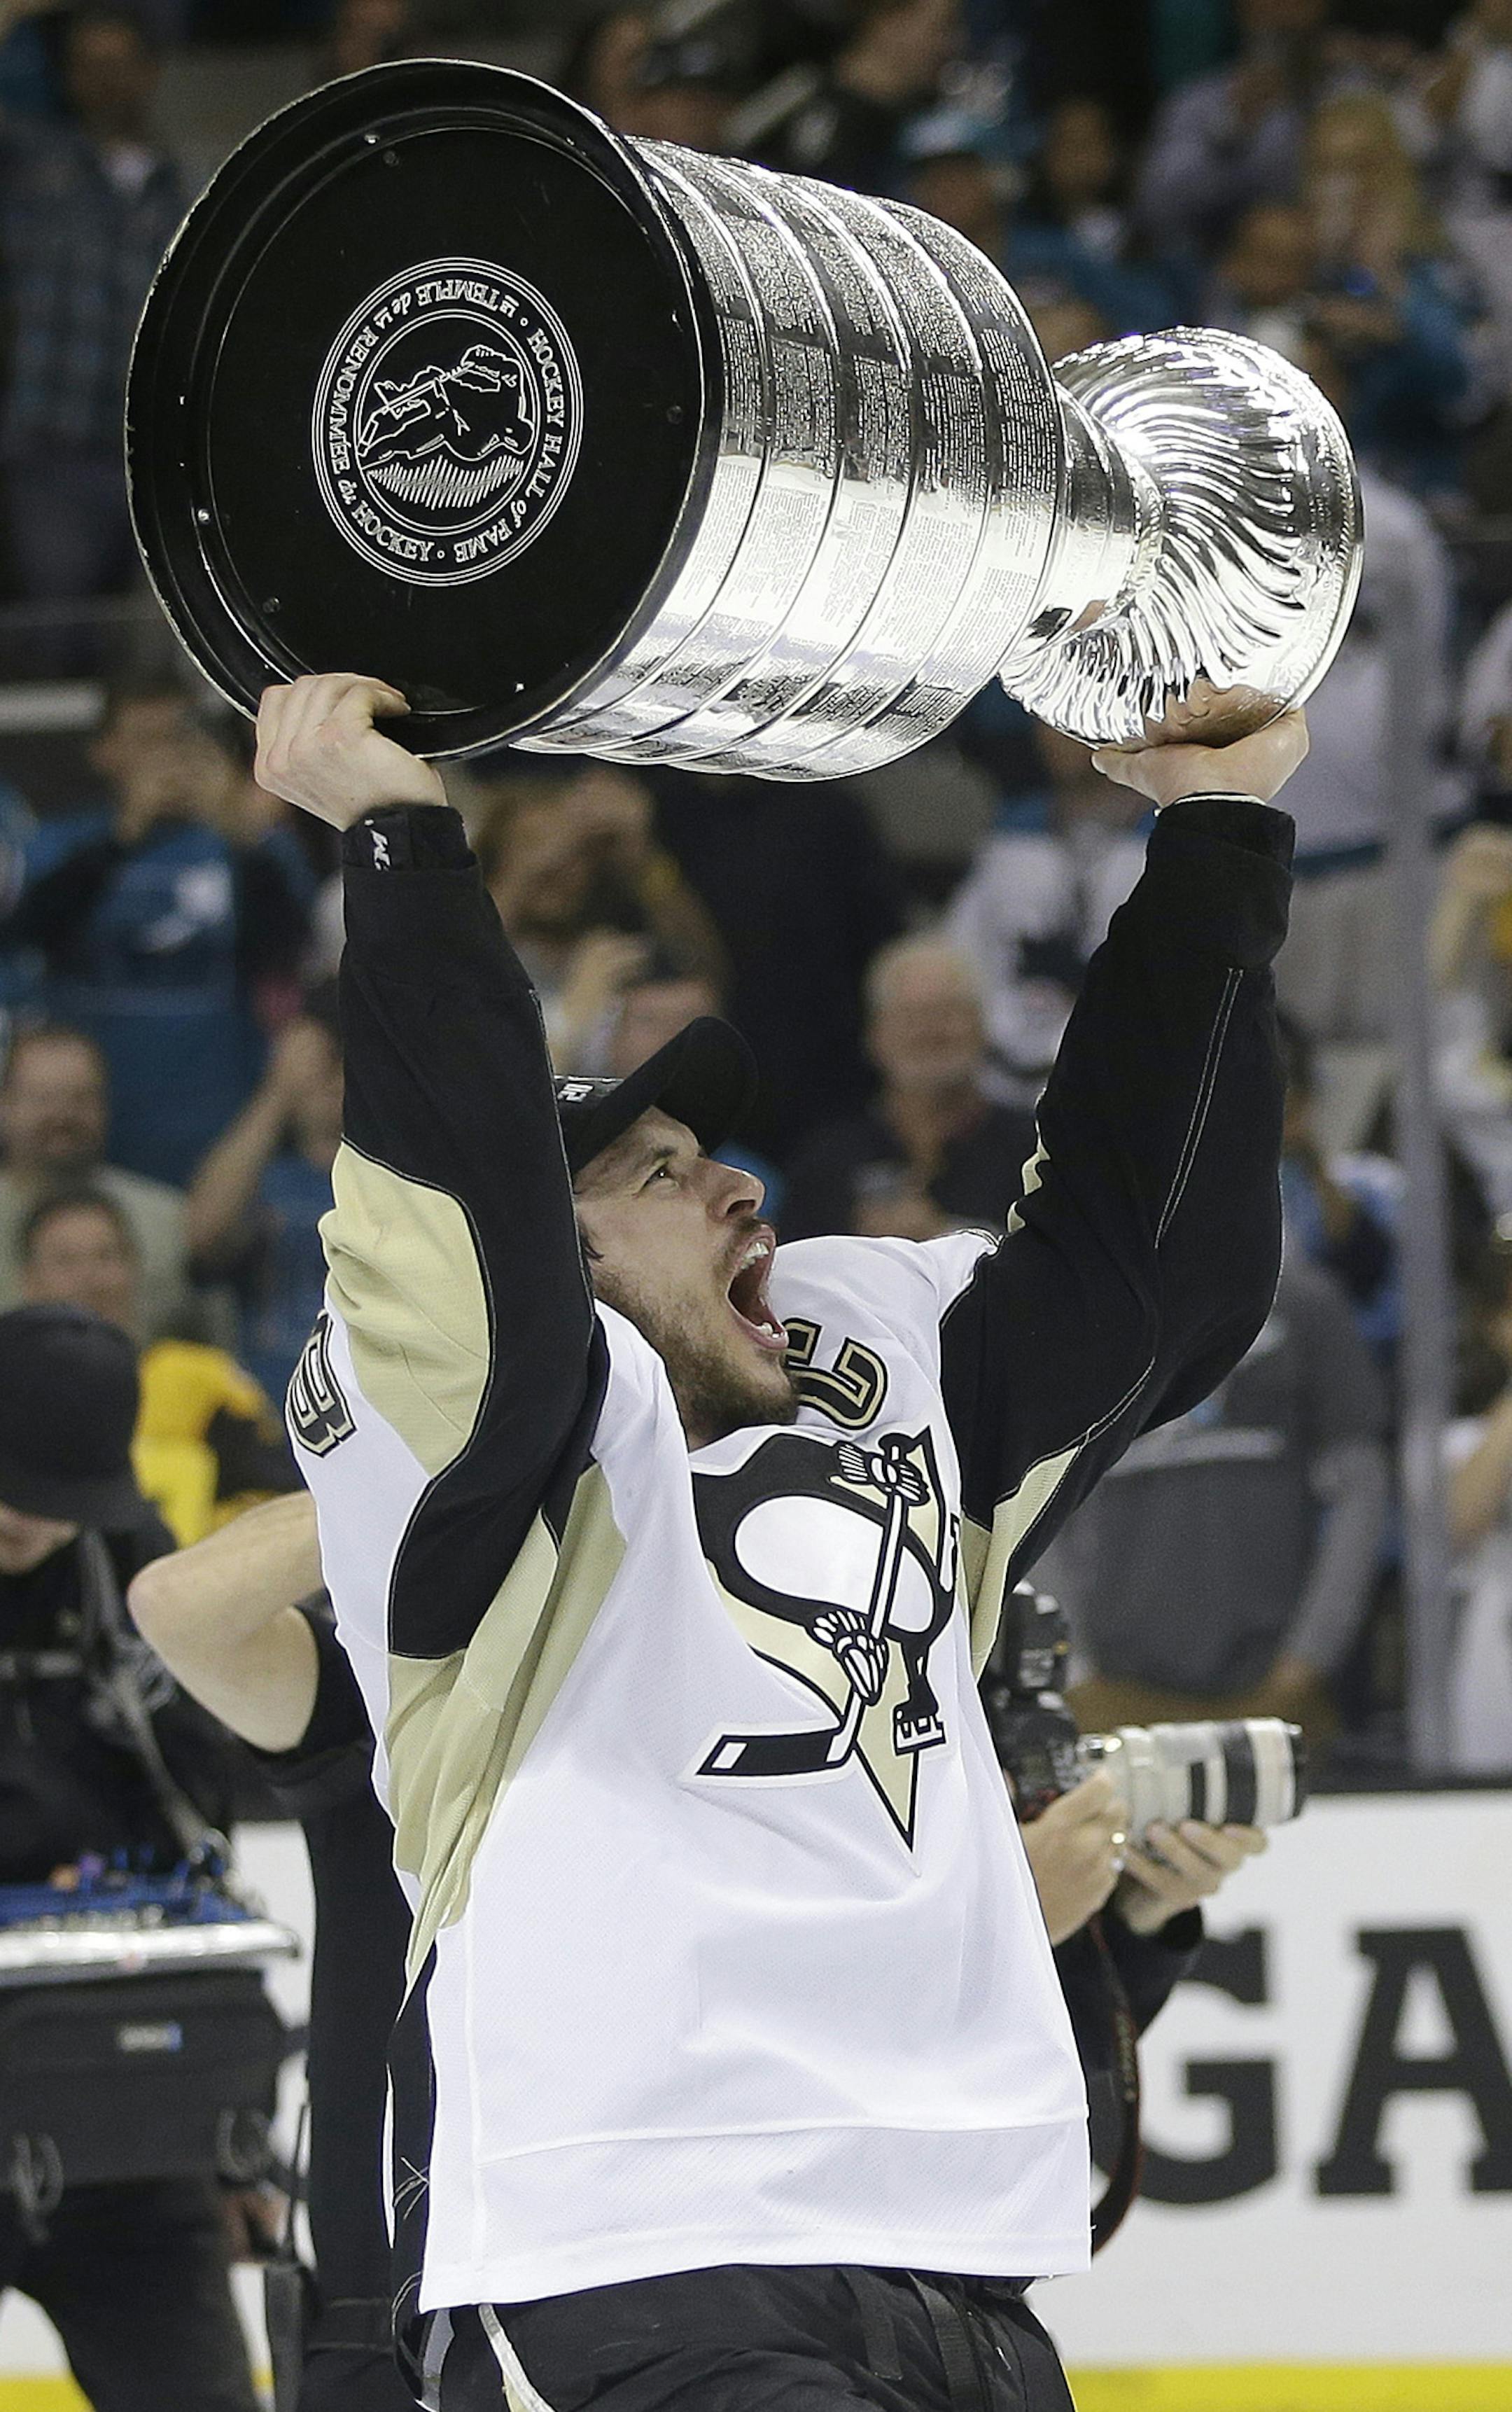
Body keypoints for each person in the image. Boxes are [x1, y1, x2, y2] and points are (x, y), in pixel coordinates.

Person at [255, 668, 1301, 2411]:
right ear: (556, 1253)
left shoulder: (864, 1352)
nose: (737, 1186)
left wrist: (1209, 844)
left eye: (714, 1152)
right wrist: (404, 842)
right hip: (655, 2228)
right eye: (656, 1174)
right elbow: (452, 1248)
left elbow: (1147, 1280)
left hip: (960, 2232)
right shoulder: (448, 1445)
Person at [0, 1302, 258, 2411]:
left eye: (58, 1500)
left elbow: (200, 1814)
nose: (28, 1519)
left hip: (116, 2106)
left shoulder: (130, 1566)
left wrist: (228, 2156)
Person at [130, 1493, 413, 2412]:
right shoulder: (383, 1706)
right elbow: (178, 1607)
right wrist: (409, 1464)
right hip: (387, 2324)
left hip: (647, 2297)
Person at [1050, 1251, 1390, 1748]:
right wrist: (1074, 1669)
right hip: (1115, 1689)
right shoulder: (1076, 1311)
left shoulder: (1303, 1300)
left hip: (1272, 1685)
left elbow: (1361, 1488)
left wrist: (1306, 1662)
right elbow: (1033, 1493)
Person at [9, 683, 313, 1184]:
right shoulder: (65, 842)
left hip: (218, 1111)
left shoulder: (252, 849)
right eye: (148, 739)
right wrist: (122, 836)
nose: (168, 755)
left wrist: (237, 832)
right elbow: (30, 933)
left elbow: (287, 953)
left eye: (182, 737)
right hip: (95, 1118)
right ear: (103, 752)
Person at [0, 8, 184, 644]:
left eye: (119, 64)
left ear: (149, 71)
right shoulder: (31, 172)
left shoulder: (180, 192)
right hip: (54, 452)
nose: (107, 81)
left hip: (154, 463)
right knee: (59, 642)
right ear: (69, 79)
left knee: (153, 653)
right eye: (90, 66)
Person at [649, 762, 907, 1162]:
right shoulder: (655, 814)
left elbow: (886, 948)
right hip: (702, 1078)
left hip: (828, 1078)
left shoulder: (829, 813)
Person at [18, 1185, 298, 1544]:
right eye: (66, 1262)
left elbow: (277, 1508)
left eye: (107, 1257)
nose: (91, 1280)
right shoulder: (12, 1396)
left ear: (134, 1270)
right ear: (29, 1281)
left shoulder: (204, 1381)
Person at [944, 720, 1149, 1108]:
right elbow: (964, 952)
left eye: (1070, 725)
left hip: (1122, 1080)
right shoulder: (1013, 831)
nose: (1053, 738)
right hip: (1004, 1074)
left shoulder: (1169, 834)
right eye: (1045, 724)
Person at [473, 765, 727, 1075]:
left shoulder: (608, 949)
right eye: (532, 843)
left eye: (581, 853)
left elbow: (704, 971)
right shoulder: (476, 951)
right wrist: (521, 876)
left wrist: (643, 858)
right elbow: (450, 971)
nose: (562, 868)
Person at [781, 937, 1037, 1241]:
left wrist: (941, 1235)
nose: (929, 1031)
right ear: (875, 1035)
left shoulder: (1035, 1152)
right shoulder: (824, 1166)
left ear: (982, 1026)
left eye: (947, 1012)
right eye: (910, 1016)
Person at [186, 990, 344, 1404]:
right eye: (321, 1068)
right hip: (267, 1402)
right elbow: (203, 1235)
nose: (328, 1084)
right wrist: (278, 1092)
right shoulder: (262, 1175)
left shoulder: (400, 1179)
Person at [0, 1021, 192, 1335]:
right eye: (42, 1098)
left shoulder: (169, 1220)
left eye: (79, 1097)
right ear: (5, 1106)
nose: (62, 1115)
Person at [1135, 0, 1334, 260]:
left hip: (1335, 277)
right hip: (1221, 276)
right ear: (1243, 8)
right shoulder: (1199, 102)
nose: (1283, 11)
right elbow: (1156, 211)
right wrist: (1233, 130)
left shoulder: (1357, 94)